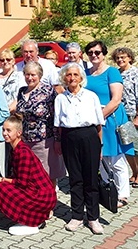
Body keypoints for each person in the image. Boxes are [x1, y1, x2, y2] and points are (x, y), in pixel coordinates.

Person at [55, 63, 105, 234]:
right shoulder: (60, 98)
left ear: (81, 77)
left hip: (90, 137)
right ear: (64, 78)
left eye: (75, 74)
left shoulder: (91, 97)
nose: (72, 78)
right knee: (75, 179)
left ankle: (93, 218)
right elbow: (59, 125)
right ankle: (76, 216)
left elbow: (99, 124)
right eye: (69, 75)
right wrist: (59, 142)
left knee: (91, 179)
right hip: (69, 138)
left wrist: (100, 146)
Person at [0, 114, 57, 236]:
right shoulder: (16, 149)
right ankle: (36, 217)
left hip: (42, 196)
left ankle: (31, 222)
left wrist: (2, 180)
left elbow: (22, 183)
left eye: (9, 130)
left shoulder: (23, 152)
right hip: (39, 193)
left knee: (2, 188)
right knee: (2, 186)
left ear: (19, 133)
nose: (5, 133)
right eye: (3, 130)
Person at [85, 40, 133, 209]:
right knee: (100, 157)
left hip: (110, 119)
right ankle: (107, 189)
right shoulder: (85, 73)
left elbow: (116, 99)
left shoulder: (112, 72)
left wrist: (99, 116)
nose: (94, 55)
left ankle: (123, 194)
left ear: (103, 54)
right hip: (92, 120)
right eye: (90, 53)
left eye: (97, 52)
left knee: (116, 158)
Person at [16, 61, 65, 190]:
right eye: (27, 74)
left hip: (44, 140)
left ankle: (49, 206)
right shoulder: (21, 91)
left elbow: (55, 116)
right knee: (30, 176)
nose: (30, 78)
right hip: (26, 140)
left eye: (33, 75)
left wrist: (57, 140)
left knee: (47, 175)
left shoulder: (48, 91)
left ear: (40, 75)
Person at [112, 47, 138, 188]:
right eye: (118, 58)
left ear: (130, 58)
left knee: (137, 146)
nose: (120, 60)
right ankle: (134, 172)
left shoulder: (136, 73)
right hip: (120, 114)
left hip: (133, 114)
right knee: (125, 145)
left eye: (123, 57)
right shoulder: (117, 74)